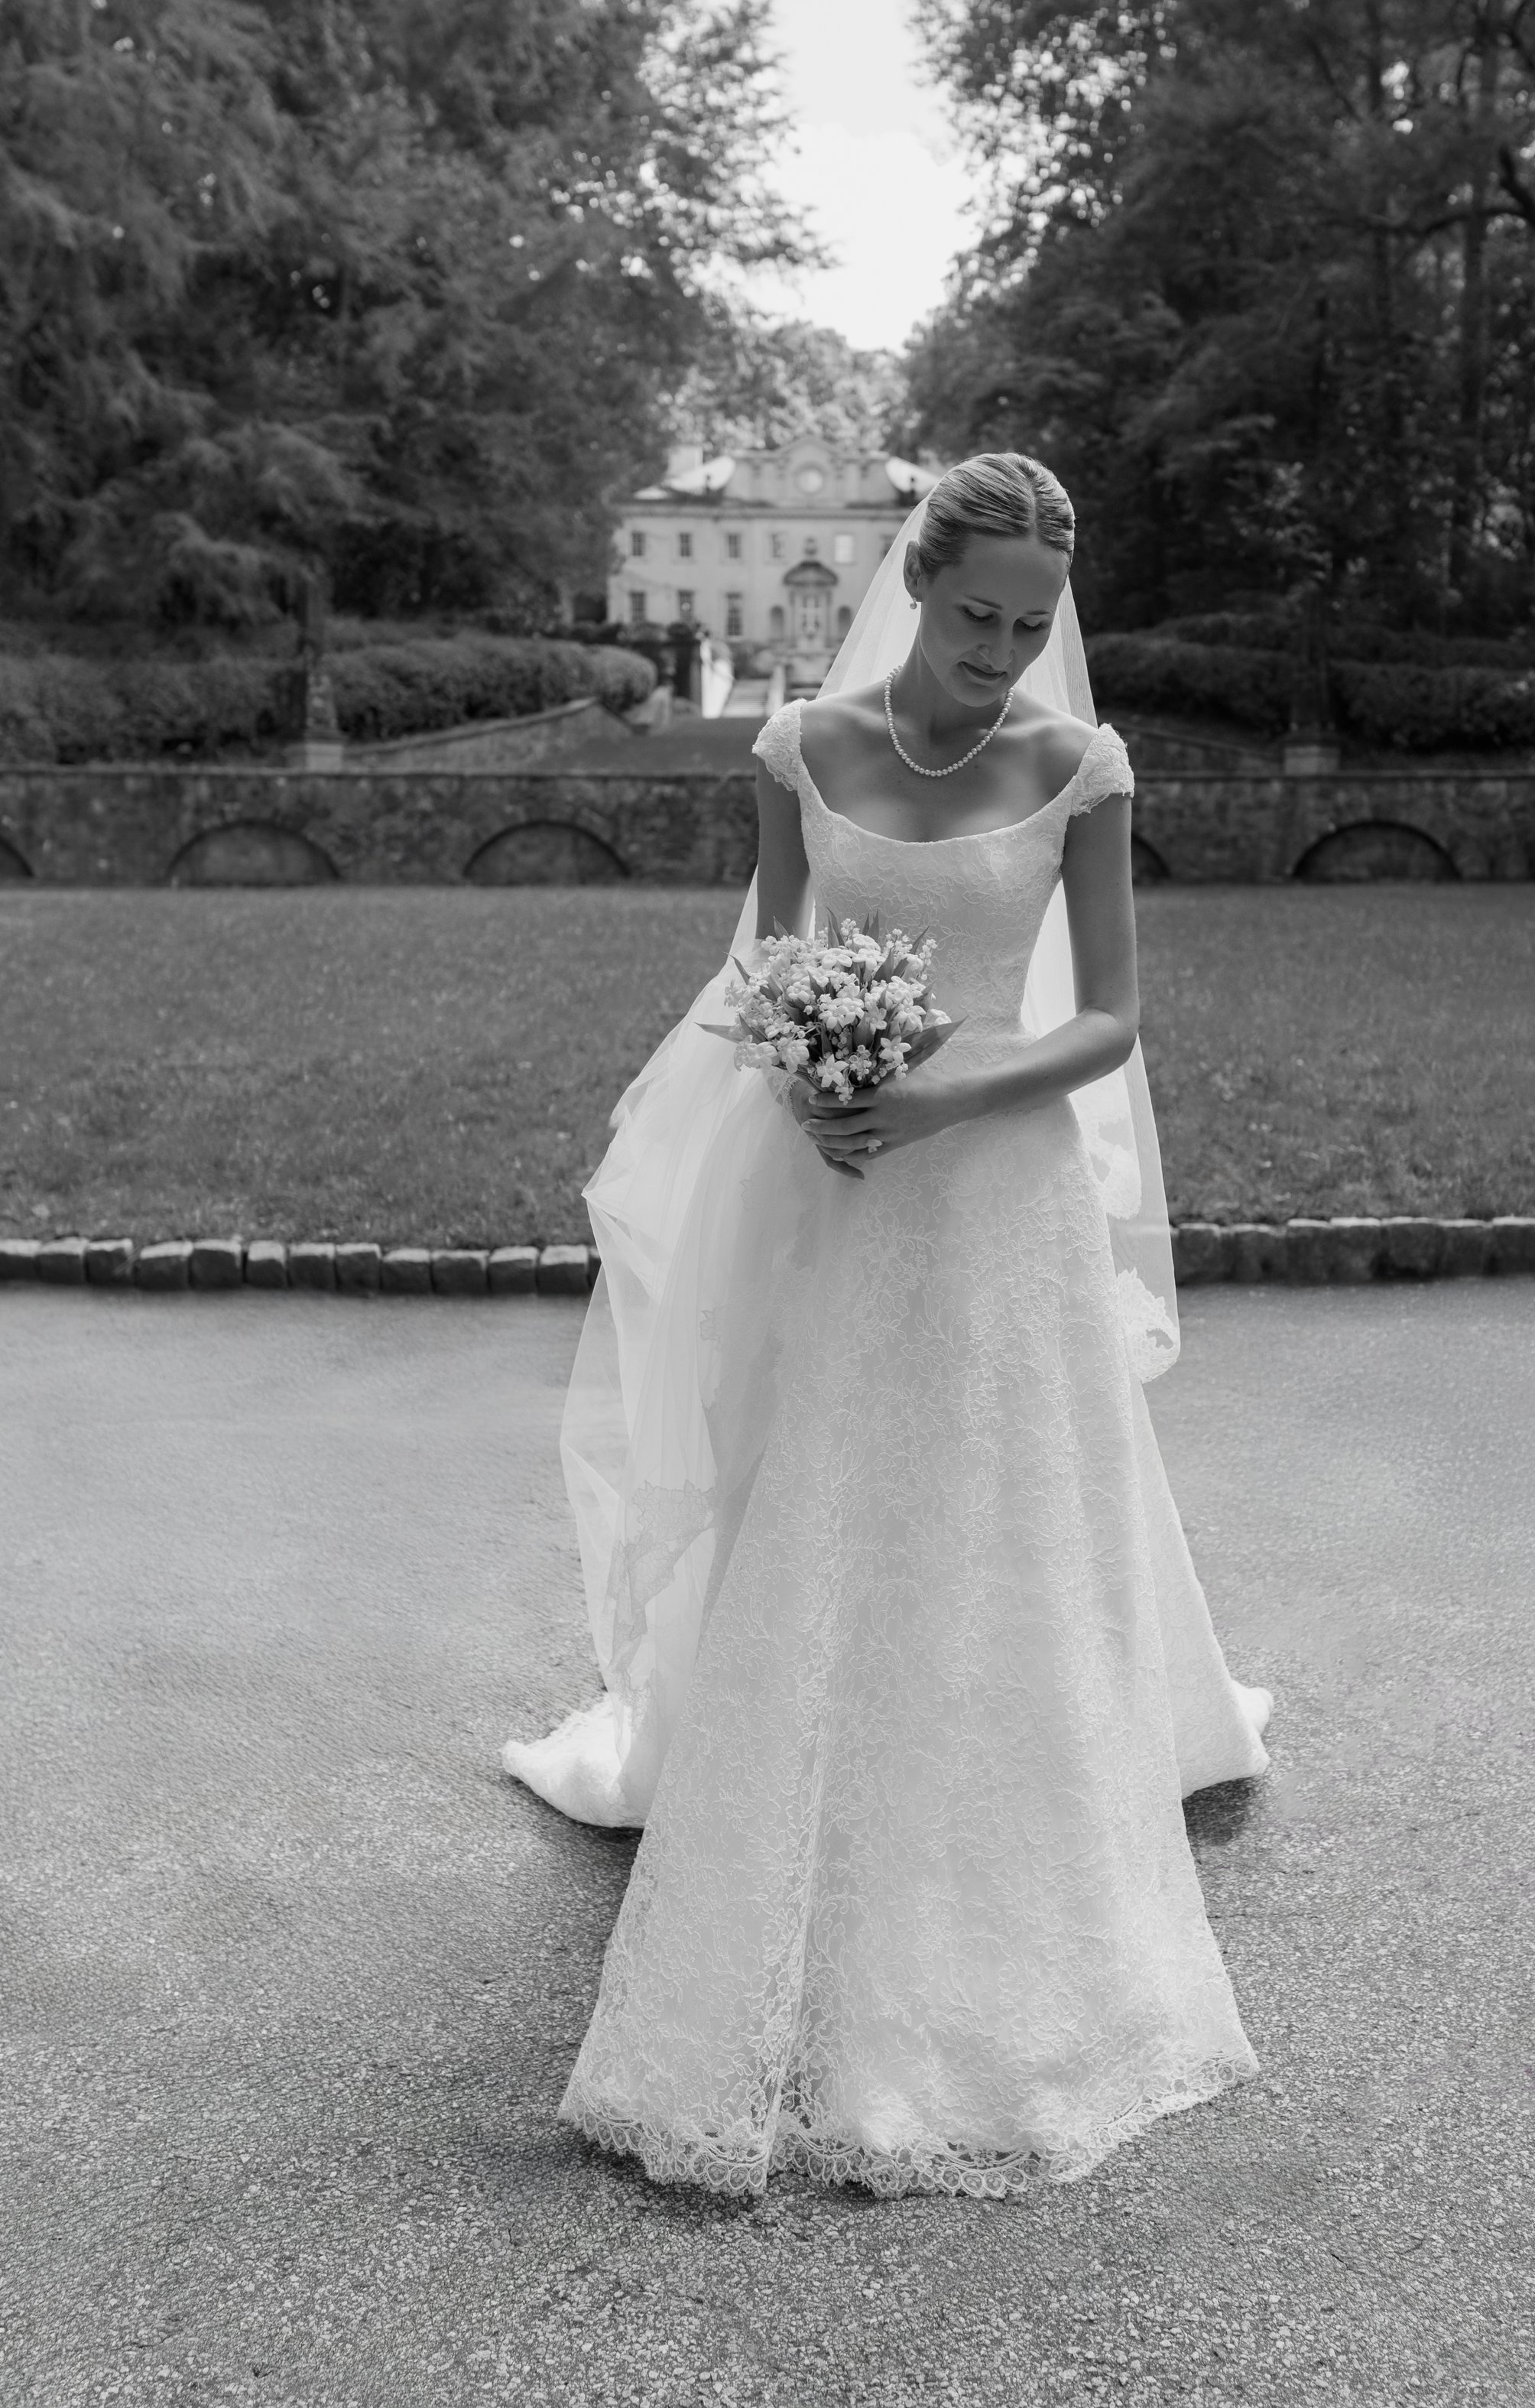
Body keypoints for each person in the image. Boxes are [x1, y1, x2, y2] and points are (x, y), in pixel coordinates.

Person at [503, 452, 1273, 2200]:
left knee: (994, 1507)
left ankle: (1004, 1835)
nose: (1001, 650)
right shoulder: (804, 754)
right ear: (913, 586)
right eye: (976, 612)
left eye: (1029, 621)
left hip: (996, 1199)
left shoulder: (1078, 768)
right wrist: (816, 1072)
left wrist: (947, 1092)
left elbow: (1110, 1021)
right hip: (840, 1185)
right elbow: (765, 967)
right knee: (828, 1490)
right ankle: (794, 1799)